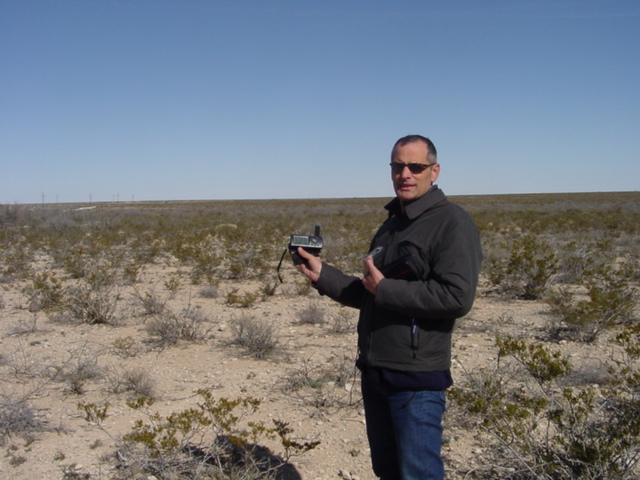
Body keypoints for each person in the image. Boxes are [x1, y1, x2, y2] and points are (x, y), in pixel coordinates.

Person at [296, 135, 482, 480]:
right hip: (375, 372)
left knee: (418, 474)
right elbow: (372, 293)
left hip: (416, 378)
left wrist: (387, 289)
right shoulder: (392, 224)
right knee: (387, 471)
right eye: (398, 166)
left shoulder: (452, 223)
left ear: (434, 171)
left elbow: (457, 297)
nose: (405, 174)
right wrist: (324, 276)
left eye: (416, 166)